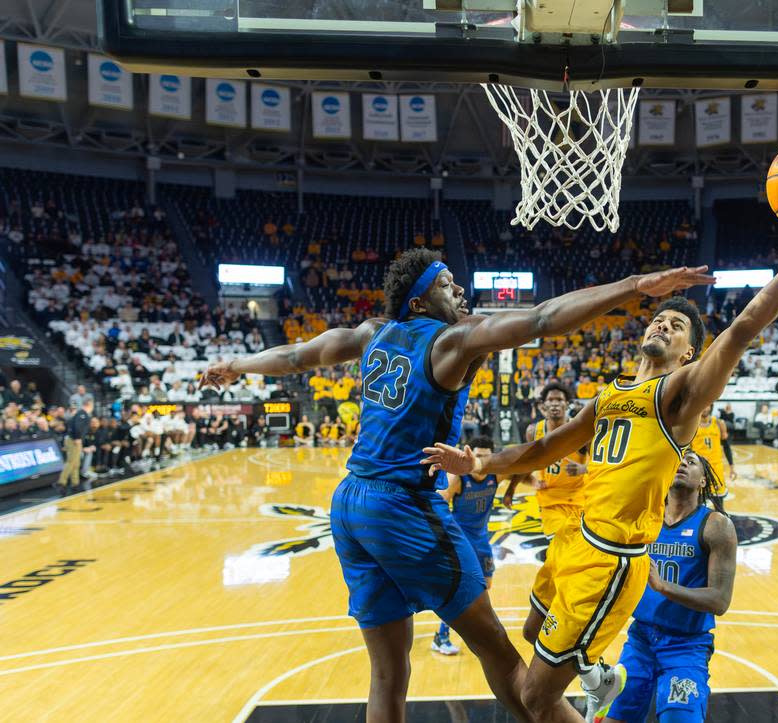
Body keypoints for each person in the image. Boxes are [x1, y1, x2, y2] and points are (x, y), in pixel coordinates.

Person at [202, 247, 713, 723]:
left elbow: (297, 357)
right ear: (420, 300)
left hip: (349, 505)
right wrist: (633, 286)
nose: (461, 293)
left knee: (387, 673)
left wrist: (235, 365)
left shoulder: (369, 333)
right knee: (500, 653)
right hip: (401, 506)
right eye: (448, 285)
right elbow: (540, 320)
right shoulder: (450, 338)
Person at [425, 189, 778, 721]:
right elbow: (542, 448)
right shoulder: (610, 394)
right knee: (532, 631)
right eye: (658, 320)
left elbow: (742, 330)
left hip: (610, 559)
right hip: (572, 540)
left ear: (690, 353)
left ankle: (591, 677)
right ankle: (598, 673)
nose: (662, 325)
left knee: (536, 698)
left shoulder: (680, 395)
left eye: (676, 327)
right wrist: (482, 464)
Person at [600, 451, 736, 723]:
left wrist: (663, 587)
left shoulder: (716, 526)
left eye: (691, 461)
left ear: (702, 481)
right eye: (678, 459)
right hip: (640, 640)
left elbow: (720, 601)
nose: (682, 463)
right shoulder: (644, 519)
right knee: (613, 718)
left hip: (686, 645)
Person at [502, 381, 589, 645]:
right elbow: (527, 462)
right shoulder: (534, 431)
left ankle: (559, 605)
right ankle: (558, 610)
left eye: (559, 400)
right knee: (562, 549)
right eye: (550, 399)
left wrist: (584, 470)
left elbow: (603, 460)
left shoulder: (581, 428)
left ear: (567, 404)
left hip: (581, 500)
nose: (554, 403)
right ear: (542, 406)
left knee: (574, 558)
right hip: (550, 502)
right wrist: (512, 487)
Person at [433, 435, 500, 656]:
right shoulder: (458, 478)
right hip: (461, 538)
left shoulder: (496, 473)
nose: (479, 460)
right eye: (477, 455)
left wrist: (511, 490)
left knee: (486, 585)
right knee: (463, 588)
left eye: (485, 457)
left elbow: (522, 472)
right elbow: (439, 502)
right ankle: (441, 636)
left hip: (481, 538)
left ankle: (476, 628)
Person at [692, 405, 733, 502]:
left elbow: (726, 446)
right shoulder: (692, 424)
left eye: (707, 405)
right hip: (699, 469)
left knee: (719, 504)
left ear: (711, 407)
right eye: (703, 405)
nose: (705, 408)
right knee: (698, 504)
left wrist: (732, 467)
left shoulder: (719, 423)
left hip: (716, 469)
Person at [60, 399, 94, 493]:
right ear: (89, 405)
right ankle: (61, 482)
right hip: (74, 440)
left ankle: (75, 483)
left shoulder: (80, 413)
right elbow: (77, 426)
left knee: (76, 463)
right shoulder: (82, 414)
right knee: (71, 462)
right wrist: (78, 438)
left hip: (73, 439)